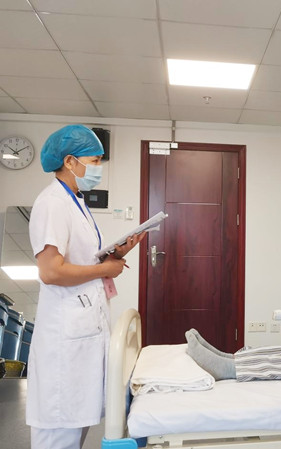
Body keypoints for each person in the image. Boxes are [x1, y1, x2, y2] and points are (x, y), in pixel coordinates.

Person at [26, 125, 146, 449]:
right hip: (63, 338)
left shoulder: (75, 200)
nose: (98, 169)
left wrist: (116, 255)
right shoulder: (52, 203)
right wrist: (104, 269)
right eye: (94, 161)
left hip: (81, 331)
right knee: (59, 433)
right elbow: (51, 271)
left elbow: (80, 258)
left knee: (74, 429)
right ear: (69, 161)